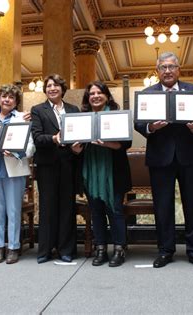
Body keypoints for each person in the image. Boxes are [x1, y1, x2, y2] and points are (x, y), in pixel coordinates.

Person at [134, 52, 193, 269]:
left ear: (179, 69)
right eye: (163, 67)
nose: (168, 71)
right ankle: (166, 250)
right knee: (163, 206)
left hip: (189, 156)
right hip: (160, 158)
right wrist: (151, 127)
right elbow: (139, 123)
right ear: (157, 71)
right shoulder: (148, 94)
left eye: (171, 67)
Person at [72, 81, 132, 267]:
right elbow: (76, 150)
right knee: (96, 211)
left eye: (99, 93)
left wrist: (103, 143)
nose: (95, 96)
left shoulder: (117, 116)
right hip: (89, 171)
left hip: (113, 172)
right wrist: (75, 148)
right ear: (87, 98)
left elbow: (125, 144)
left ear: (107, 96)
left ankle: (119, 249)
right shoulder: (81, 118)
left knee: (115, 210)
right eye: (91, 94)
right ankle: (101, 249)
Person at [0, 84, 35, 264]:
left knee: (13, 210)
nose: (7, 100)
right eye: (4, 96)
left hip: (14, 171)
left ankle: (13, 248)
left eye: (11, 97)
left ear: (16, 101)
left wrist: (17, 152)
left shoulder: (22, 118)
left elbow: (31, 146)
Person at [30, 74, 80, 263]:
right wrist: (53, 138)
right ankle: (45, 250)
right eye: (49, 86)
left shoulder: (73, 110)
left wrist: (77, 147)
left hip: (68, 163)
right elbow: (37, 137)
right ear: (45, 90)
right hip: (47, 165)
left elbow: (79, 135)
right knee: (47, 207)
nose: (52, 88)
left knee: (67, 207)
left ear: (62, 89)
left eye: (56, 85)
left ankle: (66, 250)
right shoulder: (38, 110)